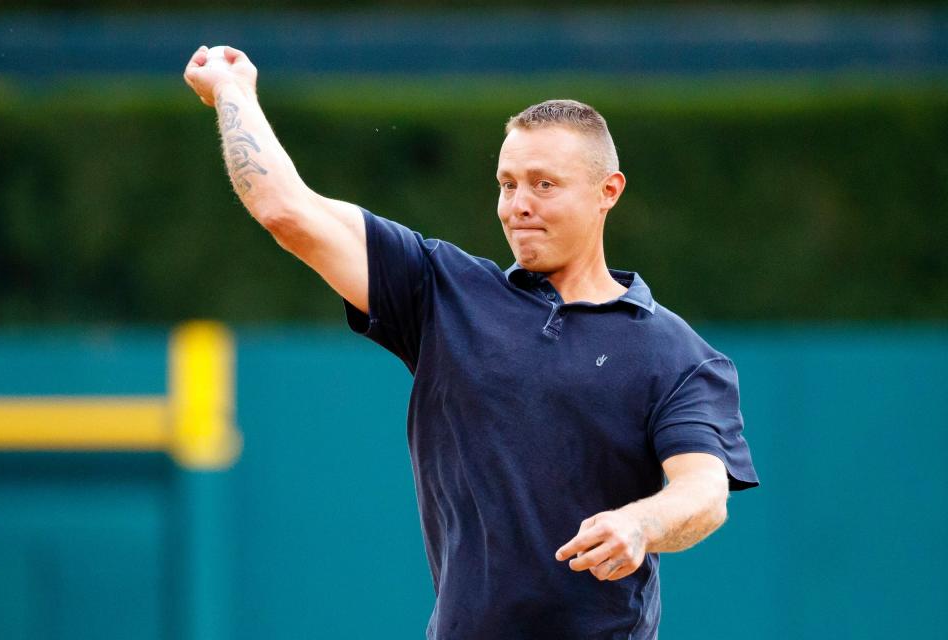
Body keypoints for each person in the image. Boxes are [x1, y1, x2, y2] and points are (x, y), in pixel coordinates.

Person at [184, 45, 759, 640]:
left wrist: (640, 524)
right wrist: (233, 94)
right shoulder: (443, 292)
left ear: (608, 190)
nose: (519, 206)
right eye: (507, 184)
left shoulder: (676, 354)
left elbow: (704, 492)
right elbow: (287, 211)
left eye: (544, 184)